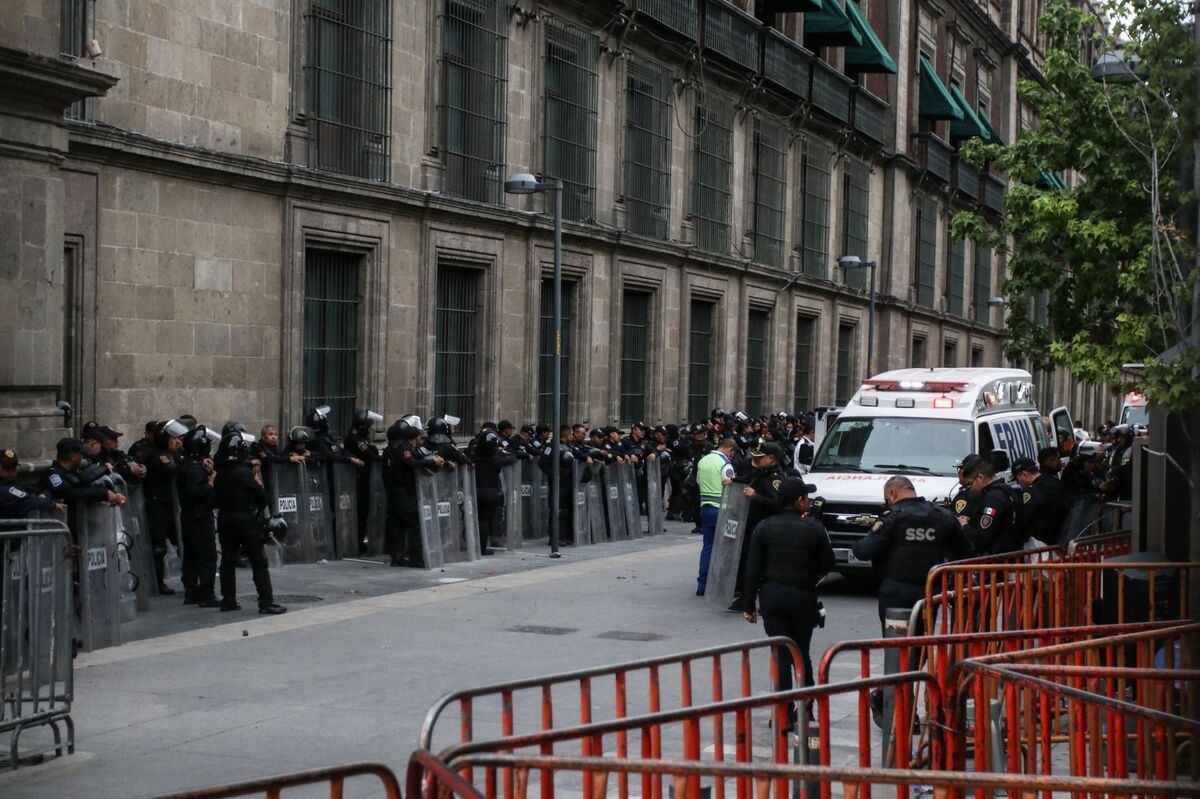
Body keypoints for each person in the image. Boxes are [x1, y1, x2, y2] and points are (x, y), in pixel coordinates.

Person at [741, 478, 834, 720]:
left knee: (781, 653)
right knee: (802, 653)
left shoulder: (763, 527)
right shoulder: (814, 527)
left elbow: (752, 570)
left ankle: (782, 712)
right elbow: (828, 564)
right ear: (799, 500)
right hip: (803, 596)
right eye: (806, 497)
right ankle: (806, 710)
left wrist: (749, 605)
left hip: (772, 597)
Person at [852, 476, 971, 627]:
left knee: (896, 643)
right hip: (930, 591)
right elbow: (966, 551)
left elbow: (863, 551)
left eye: (887, 499)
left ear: (893, 493)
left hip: (896, 590)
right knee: (921, 644)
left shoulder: (892, 517)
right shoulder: (943, 515)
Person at [214, 430, 285, 614]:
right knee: (258, 561)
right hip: (245, 519)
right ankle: (266, 602)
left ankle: (228, 600)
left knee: (228, 560)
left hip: (225, 518)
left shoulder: (219, 473)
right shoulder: (245, 473)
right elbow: (262, 498)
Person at [732, 439, 786, 605]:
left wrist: (756, 497)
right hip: (752, 524)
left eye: (759, 458)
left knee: (759, 564)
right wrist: (733, 481)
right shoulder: (761, 472)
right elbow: (747, 477)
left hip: (764, 525)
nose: (755, 461)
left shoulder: (774, 477)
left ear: (771, 459)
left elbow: (778, 503)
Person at [384, 419, 442, 567]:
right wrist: (432, 462)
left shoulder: (390, 448)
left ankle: (397, 556)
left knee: (397, 524)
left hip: (395, 490)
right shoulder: (404, 449)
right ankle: (415, 557)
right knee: (413, 523)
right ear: (415, 437)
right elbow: (413, 464)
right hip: (404, 491)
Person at [176, 427, 220, 607]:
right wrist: (210, 484)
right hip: (199, 516)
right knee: (207, 555)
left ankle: (191, 592)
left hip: (190, 516)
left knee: (191, 555)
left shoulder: (187, 464)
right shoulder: (193, 469)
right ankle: (206, 594)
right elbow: (194, 492)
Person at [143, 419, 187, 594]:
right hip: (158, 506)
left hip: (172, 506)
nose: (178, 442)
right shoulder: (157, 456)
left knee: (183, 542)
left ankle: (190, 578)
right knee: (158, 547)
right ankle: (158, 582)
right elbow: (172, 470)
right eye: (173, 438)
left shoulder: (175, 455)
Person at [695, 438, 737, 596]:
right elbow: (730, 485)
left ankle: (703, 584)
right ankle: (720, 585)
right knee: (724, 549)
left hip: (705, 508)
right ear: (729, 449)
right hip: (722, 510)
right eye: (732, 453)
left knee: (707, 547)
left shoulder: (703, 461)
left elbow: (699, 482)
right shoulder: (725, 463)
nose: (732, 457)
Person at [957, 457, 1019, 555]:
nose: (970, 488)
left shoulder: (993, 499)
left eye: (970, 483)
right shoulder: (1008, 490)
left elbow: (981, 539)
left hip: (996, 561)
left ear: (980, 478)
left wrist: (964, 525)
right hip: (1011, 554)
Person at [474, 430, 516, 554]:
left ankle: (475, 546)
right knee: (485, 520)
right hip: (491, 491)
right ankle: (482, 548)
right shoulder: (495, 459)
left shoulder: (475, 456)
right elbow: (511, 458)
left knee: (477, 519)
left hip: (475, 490)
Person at [1, 449, 64, 518]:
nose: (12, 472)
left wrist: (43, 495)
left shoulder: (14, 483)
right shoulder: (3, 489)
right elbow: (27, 500)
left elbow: (38, 490)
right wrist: (52, 505)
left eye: (14, 468)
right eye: (8, 468)